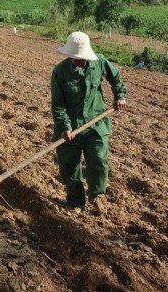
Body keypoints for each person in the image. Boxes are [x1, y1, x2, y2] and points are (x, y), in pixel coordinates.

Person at [50, 32, 127, 214]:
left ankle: (96, 196)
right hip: (70, 125)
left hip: (96, 123)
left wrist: (120, 95)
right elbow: (58, 104)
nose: (78, 61)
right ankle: (76, 202)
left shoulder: (99, 61)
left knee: (99, 160)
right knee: (70, 166)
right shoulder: (60, 72)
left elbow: (115, 77)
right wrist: (65, 126)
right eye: (74, 58)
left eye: (81, 58)